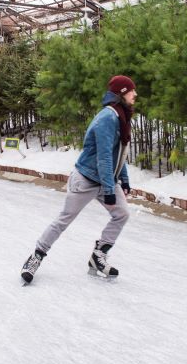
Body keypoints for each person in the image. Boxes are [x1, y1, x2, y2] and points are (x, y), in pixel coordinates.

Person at [20, 76, 136, 284]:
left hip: (106, 180)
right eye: (131, 91)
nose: (135, 95)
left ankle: (98, 256)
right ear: (121, 94)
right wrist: (110, 189)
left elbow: (118, 152)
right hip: (86, 179)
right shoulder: (107, 118)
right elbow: (104, 157)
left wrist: (123, 179)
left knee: (122, 214)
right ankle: (36, 257)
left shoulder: (120, 116)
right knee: (64, 220)